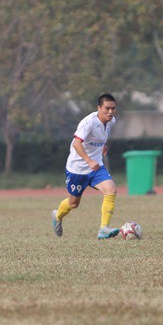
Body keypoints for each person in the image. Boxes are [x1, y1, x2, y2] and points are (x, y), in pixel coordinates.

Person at [51, 93, 121, 240]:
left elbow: (98, 137)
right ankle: (57, 216)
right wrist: (89, 161)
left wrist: (103, 145)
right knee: (73, 203)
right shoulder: (88, 122)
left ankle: (103, 229)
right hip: (77, 169)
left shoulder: (111, 121)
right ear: (99, 108)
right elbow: (77, 143)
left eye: (113, 108)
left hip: (96, 167)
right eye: (107, 108)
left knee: (111, 190)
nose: (110, 112)